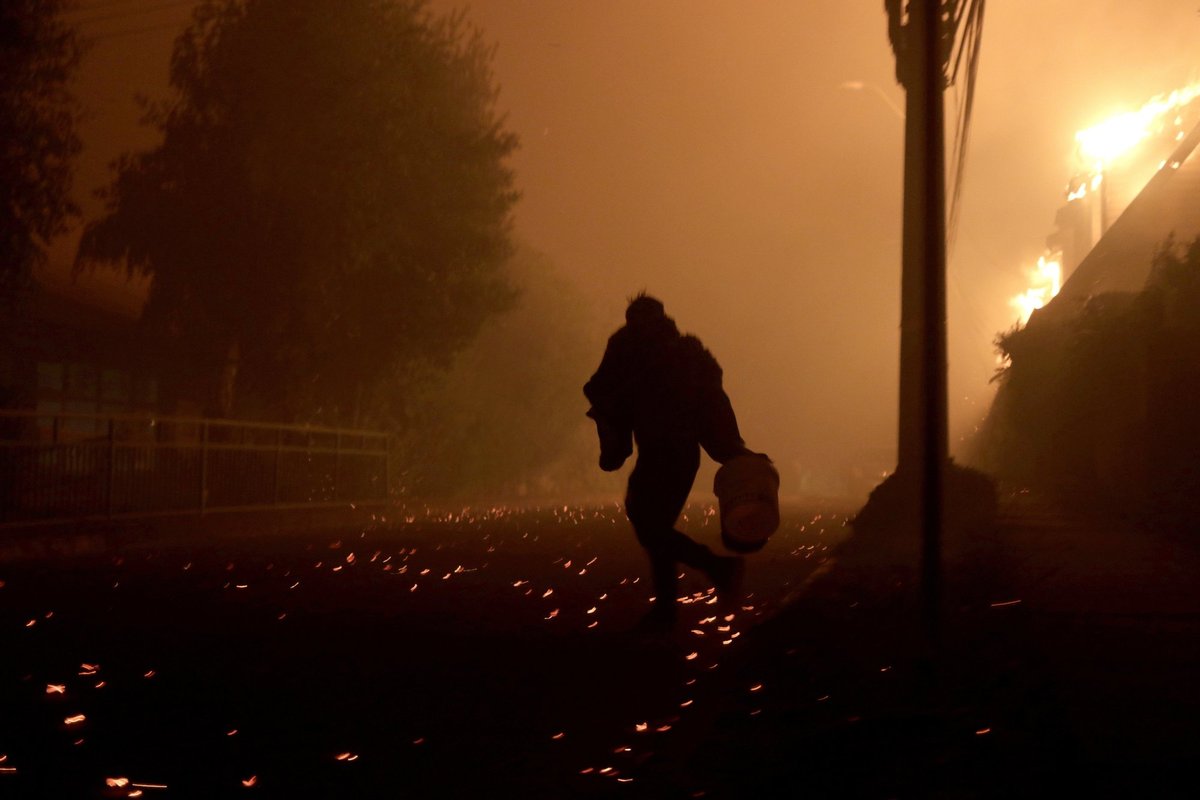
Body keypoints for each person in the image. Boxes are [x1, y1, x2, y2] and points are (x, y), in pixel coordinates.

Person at [584, 293, 747, 632]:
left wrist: (731, 449)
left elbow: (603, 389)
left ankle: (710, 572)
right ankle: (671, 605)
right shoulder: (683, 353)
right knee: (653, 526)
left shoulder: (637, 348)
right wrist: (729, 447)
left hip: (667, 451)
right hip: (679, 454)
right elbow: (715, 401)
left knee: (651, 525)